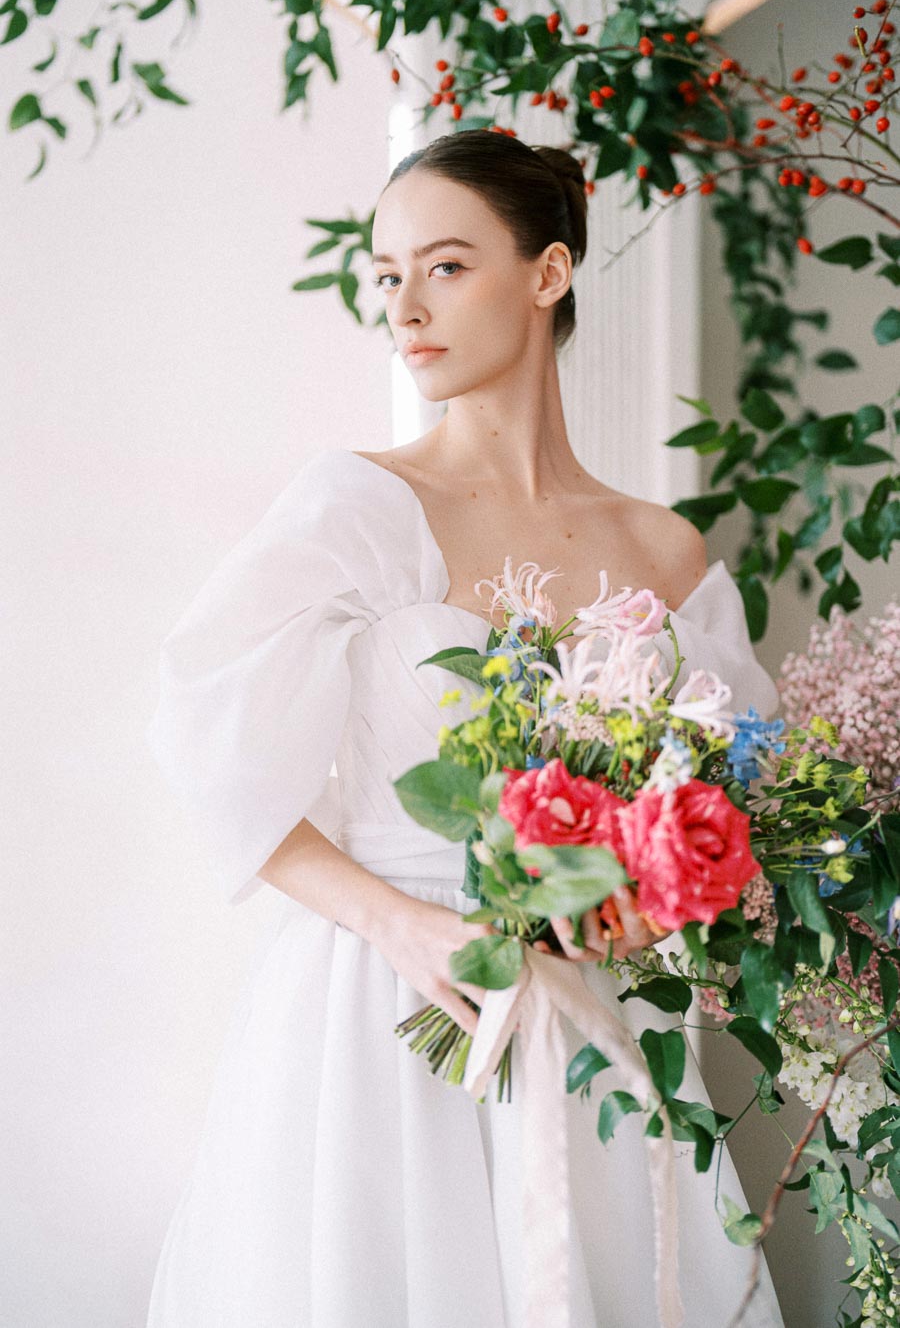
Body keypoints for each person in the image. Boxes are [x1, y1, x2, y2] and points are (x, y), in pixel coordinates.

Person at [145, 130, 785, 1327]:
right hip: (380, 1009)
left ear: (548, 273)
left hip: (592, 1011)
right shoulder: (359, 505)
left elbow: (736, 798)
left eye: (445, 266)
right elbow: (206, 743)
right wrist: (403, 926)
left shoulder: (665, 551)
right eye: (389, 275)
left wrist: (636, 899)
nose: (406, 308)